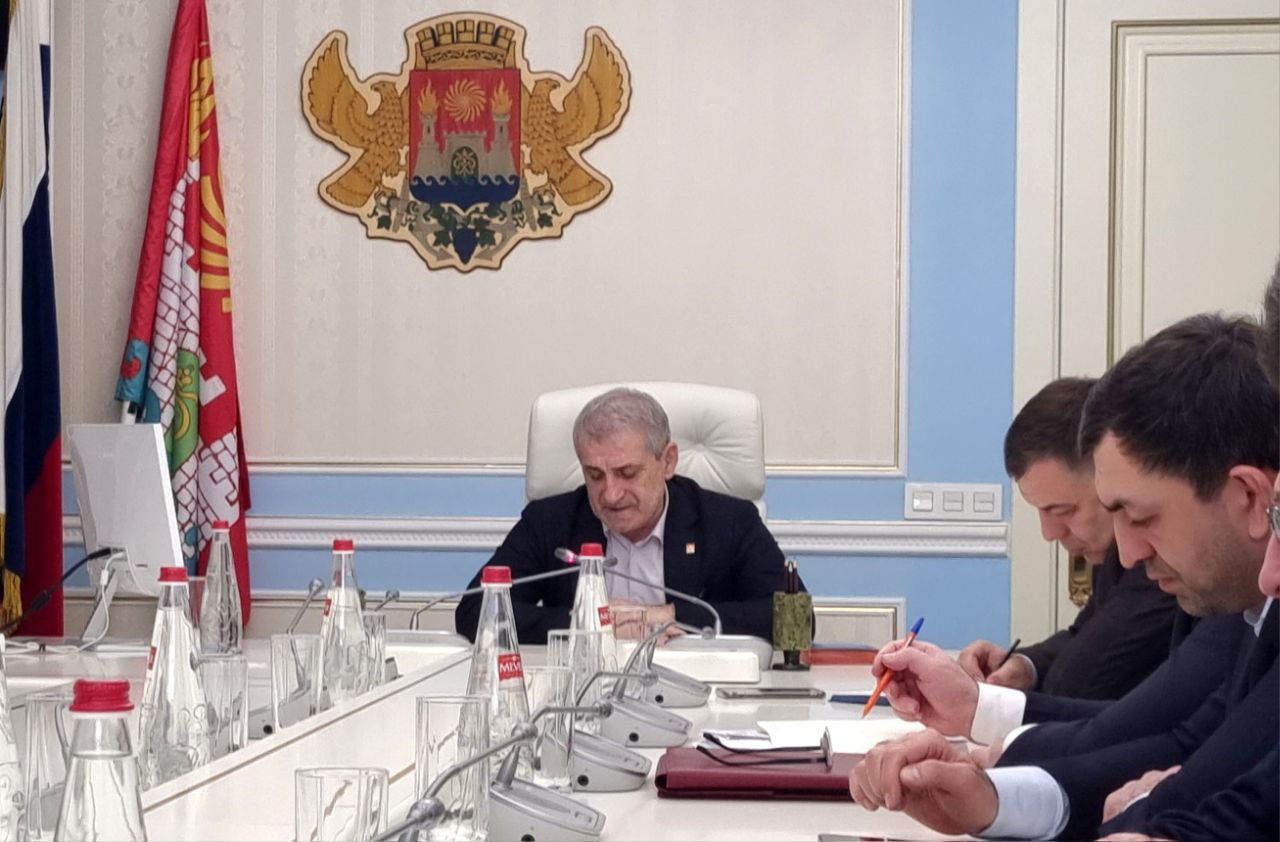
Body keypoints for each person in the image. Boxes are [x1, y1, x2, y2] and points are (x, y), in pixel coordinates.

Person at [849, 313, 1278, 840]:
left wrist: (1143, 814)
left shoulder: (1228, 586)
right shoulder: (1237, 599)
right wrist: (989, 797)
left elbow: (1189, 779)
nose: (1127, 553)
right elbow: (1193, 747)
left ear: (1252, 497)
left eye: (1140, 516)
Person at [456, 387, 803, 644]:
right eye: (595, 475)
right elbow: (475, 612)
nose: (610, 494)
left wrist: (668, 616)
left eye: (627, 473)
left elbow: (794, 619)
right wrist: (587, 621)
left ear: (667, 461)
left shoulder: (728, 521)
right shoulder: (551, 521)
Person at [958, 377, 1177, 698]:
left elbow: (1076, 681)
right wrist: (1023, 665)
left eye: (1063, 511)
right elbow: (1084, 634)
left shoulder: (1163, 559)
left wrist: (978, 703)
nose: (1049, 533)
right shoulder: (1110, 550)